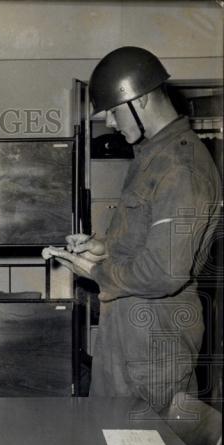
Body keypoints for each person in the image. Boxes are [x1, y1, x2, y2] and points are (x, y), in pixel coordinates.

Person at [46, 46, 222, 411]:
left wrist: (96, 271)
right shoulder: (153, 156)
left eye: (113, 110)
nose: (109, 122)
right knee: (108, 442)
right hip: (128, 329)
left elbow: (163, 272)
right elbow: (146, 240)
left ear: (139, 101)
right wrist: (104, 247)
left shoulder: (181, 167)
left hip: (155, 339)